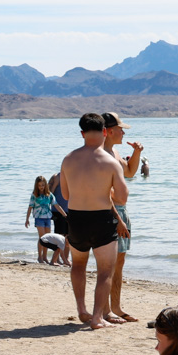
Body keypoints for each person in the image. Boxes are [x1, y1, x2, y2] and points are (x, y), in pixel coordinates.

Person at [60, 113, 129, 330]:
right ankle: (97, 317)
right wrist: (105, 190)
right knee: (105, 270)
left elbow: (66, 194)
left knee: (78, 265)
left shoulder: (68, 159)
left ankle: (82, 310)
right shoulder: (110, 162)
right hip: (101, 218)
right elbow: (122, 198)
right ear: (105, 132)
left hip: (76, 218)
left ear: (82, 133)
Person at [101, 112, 143, 324]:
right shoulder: (101, 154)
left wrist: (136, 153)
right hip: (111, 212)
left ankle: (115, 307)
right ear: (108, 131)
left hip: (121, 210)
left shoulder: (114, 152)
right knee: (108, 263)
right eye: (120, 129)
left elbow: (130, 172)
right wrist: (117, 218)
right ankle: (106, 310)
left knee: (119, 261)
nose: (123, 133)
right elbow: (101, 191)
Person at [25, 176, 55, 265]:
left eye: (43, 185)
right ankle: (40, 257)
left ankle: (45, 257)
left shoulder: (49, 195)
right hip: (39, 218)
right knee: (42, 237)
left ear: (45, 185)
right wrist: (27, 219)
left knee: (47, 238)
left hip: (48, 218)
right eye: (39, 185)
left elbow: (56, 205)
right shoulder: (34, 195)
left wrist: (65, 215)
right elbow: (30, 207)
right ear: (36, 186)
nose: (41, 187)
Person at [48, 171, 70, 266]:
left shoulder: (74, 176)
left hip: (70, 210)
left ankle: (66, 259)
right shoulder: (57, 177)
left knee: (69, 236)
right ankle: (55, 259)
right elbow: (49, 194)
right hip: (58, 210)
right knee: (59, 236)